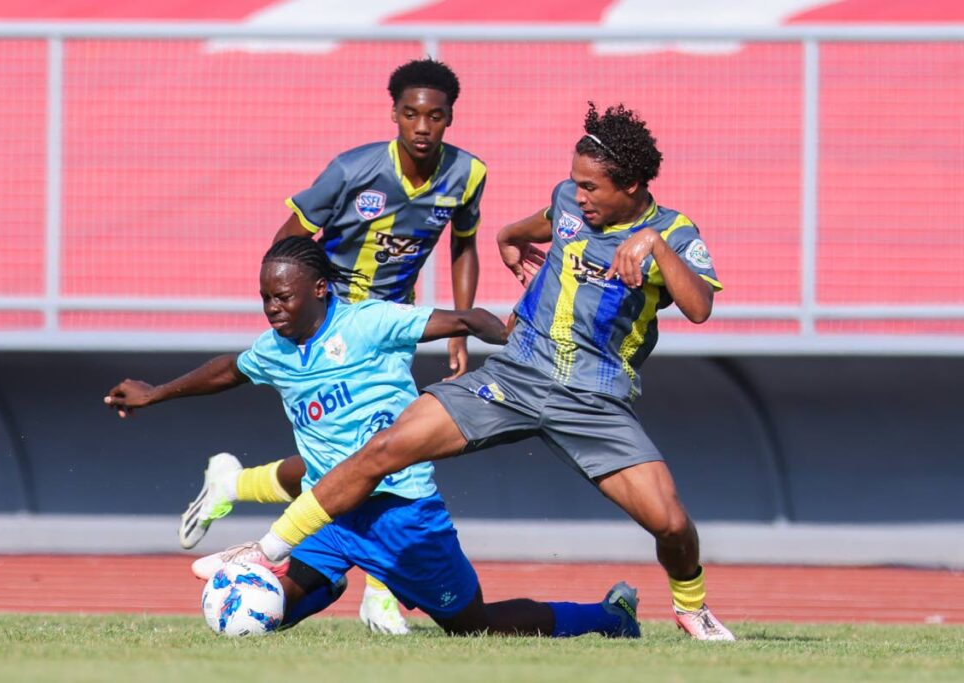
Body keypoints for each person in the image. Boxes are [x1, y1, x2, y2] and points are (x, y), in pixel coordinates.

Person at [237, 103, 737, 641]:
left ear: (633, 184)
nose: (580, 195)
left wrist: (654, 245)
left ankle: (692, 610)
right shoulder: (570, 201)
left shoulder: (674, 232)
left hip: (592, 399)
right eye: (576, 183)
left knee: (671, 524)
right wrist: (508, 239)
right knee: (385, 448)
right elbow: (540, 224)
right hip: (516, 374)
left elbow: (700, 306)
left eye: (592, 187)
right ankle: (265, 550)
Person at [104, 236, 641, 639]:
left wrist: (509, 337)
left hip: (402, 515)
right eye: (265, 298)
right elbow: (228, 370)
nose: (272, 309)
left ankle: (608, 617)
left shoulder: (370, 323)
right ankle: (325, 577)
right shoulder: (276, 348)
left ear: (319, 290)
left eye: (282, 297)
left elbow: (461, 319)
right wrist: (156, 393)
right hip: (329, 514)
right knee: (267, 614)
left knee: (475, 626)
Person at [183, 57, 487, 634]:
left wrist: (463, 327)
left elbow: (463, 245)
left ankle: (237, 485)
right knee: (380, 453)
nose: (422, 127)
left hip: (395, 321)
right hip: (340, 320)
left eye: (436, 116)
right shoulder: (353, 171)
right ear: (394, 114)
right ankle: (380, 592)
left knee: (370, 454)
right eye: (410, 114)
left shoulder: (468, 174)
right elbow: (289, 236)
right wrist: (303, 298)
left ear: (449, 119)